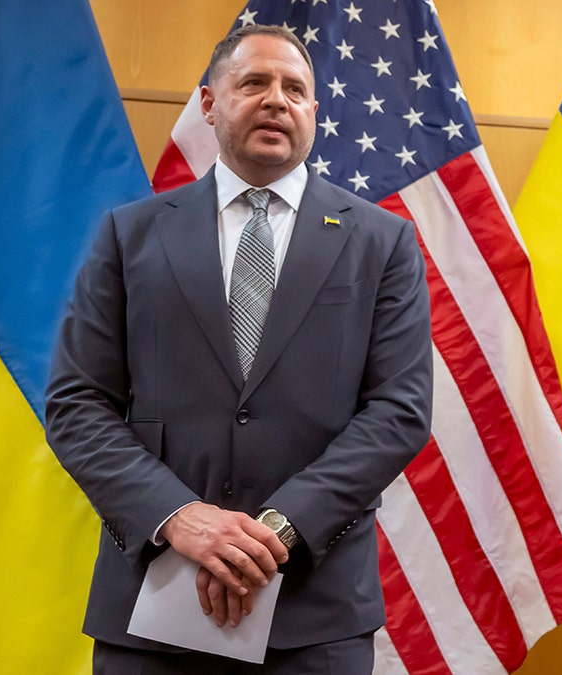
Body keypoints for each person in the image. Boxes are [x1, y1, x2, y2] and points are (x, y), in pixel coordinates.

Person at [45, 24, 432, 673]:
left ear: (314, 110)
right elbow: (76, 403)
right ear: (208, 102)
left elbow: (399, 411)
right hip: (151, 614)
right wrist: (180, 517)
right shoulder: (129, 236)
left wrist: (277, 531)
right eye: (253, 82)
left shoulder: (383, 243)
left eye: (295, 88)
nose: (276, 99)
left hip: (316, 619)